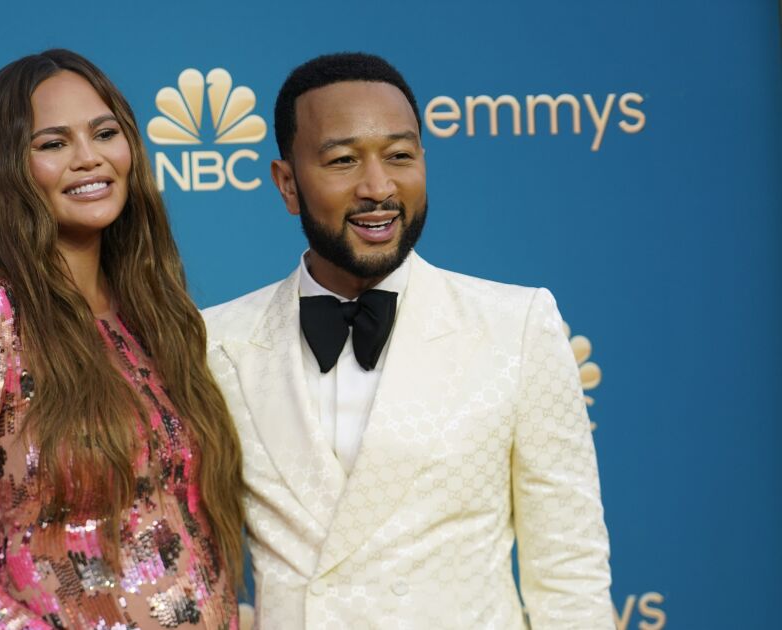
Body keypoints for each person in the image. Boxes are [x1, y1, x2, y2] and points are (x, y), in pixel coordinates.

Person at [202, 52, 613, 629]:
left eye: (400, 156)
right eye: (343, 160)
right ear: (287, 184)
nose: (378, 187)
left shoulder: (515, 327)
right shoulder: (214, 343)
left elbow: (570, 574)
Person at [0, 49, 244, 630]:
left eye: (105, 133)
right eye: (53, 143)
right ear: (8, 169)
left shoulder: (153, 310)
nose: (89, 157)